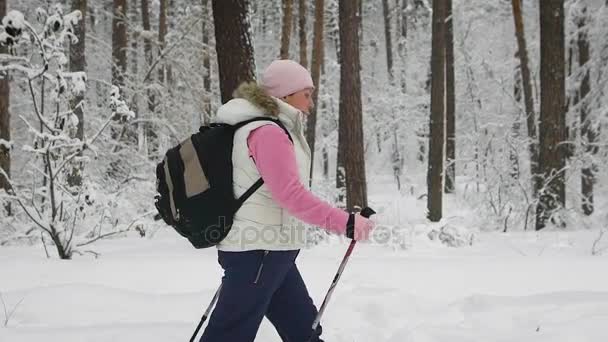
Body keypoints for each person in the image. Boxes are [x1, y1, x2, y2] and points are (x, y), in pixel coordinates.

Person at [200, 59, 375, 342]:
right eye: (306, 93)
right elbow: (290, 195)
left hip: (271, 251)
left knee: (302, 329)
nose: (311, 100)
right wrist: (347, 223)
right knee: (229, 334)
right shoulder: (268, 133)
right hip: (257, 253)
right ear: (285, 95)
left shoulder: (267, 128)